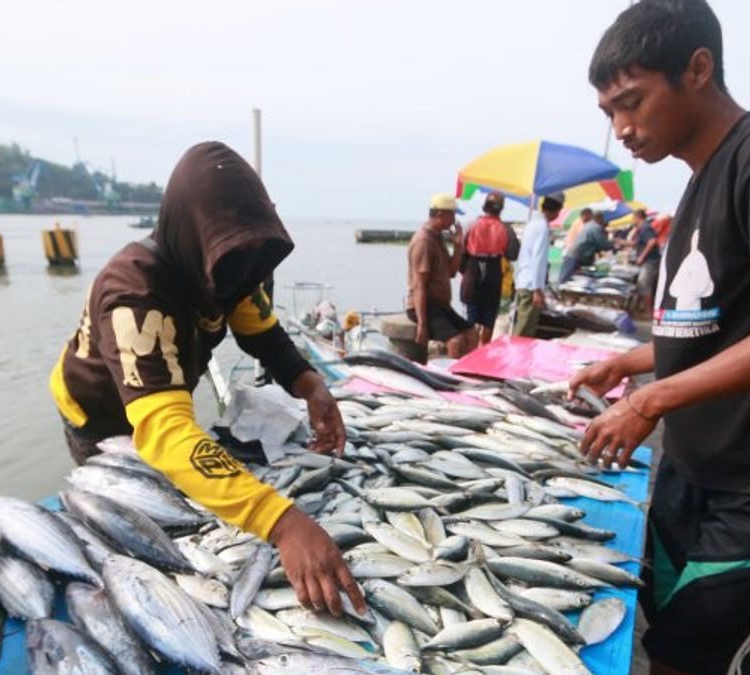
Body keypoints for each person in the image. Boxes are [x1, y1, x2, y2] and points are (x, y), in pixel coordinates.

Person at [573, 2, 750, 674]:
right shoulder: (700, 187)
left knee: (700, 663)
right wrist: (628, 360)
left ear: (698, 68)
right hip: (694, 468)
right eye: (608, 112)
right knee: (666, 645)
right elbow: (710, 327)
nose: (621, 128)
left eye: (632, 101)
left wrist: (650, 400)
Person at [48, 141, 365, 617]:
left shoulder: (227, 268)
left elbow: (265, 335)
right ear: (195, 234)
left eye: (253, 252)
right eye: (237, 252)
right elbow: (167, 434)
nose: (246, 267)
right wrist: (282, 524)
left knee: (183, 501)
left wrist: (310, 385)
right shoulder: (134, 291)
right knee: (128, 537)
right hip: (99, 418)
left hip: (160, 407)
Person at [406, 193, 477, 358]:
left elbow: (451, 272)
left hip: (440, 306)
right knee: (455, 341)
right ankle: (449, 377)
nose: (454, 220)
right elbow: (419, 285)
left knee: (471, 333)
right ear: (440, 214)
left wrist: (458, 246)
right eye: (452, 215)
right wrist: (422, 324)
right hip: (425, 307)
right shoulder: (423, 241)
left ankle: (465, 374)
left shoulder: (438, 238)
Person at [461, 192, 517, 345]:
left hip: (473, 271)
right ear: (501, 209)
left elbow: (462, 252)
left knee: (470, 316)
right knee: (489, 319)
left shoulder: (470, 225)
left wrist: (463, 271)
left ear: (484, 206)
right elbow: (513, 254)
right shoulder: (506, 229)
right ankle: (482, 348)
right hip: (493, 272)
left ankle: (469, 350)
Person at [512, 192, 565, 337]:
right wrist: (537, 289)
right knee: (525, 328)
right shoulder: (541, 226)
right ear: (556, 210)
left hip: (524, 280)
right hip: (530, 284)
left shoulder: (533, 222)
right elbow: (538, 259)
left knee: (523, 324)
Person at [558, 209, 614, 284]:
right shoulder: (595, 227)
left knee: (570, 279)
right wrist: (614, 244)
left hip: (576, 256)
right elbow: (602, 244)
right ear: (600, 219)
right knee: (566, 280)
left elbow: (596, 244)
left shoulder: (589, 226)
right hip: (575, 256)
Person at [628, 208, 661, 315]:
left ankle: (648, 313)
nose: (632, 220)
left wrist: (641, 257)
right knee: (643, 285)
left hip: (650, 261)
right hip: (649, 261)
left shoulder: (645, 228)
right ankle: (643, 310)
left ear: (638, 217)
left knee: (645, 285)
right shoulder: (643, 228)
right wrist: (623, 242)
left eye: (633, 218)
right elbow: (637, 243)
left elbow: (652, 242)